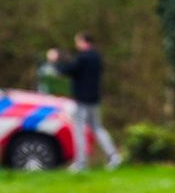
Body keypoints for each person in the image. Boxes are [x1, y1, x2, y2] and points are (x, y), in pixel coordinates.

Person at [48, 32, 121, 171]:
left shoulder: (82, 57)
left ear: (83, 41)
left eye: (77, 42)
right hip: (95, 99)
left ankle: (81, 163)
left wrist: (55, 61)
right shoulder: (97, 57)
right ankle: (114, 156)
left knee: (79, 131)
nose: (76, 45)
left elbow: (68, 70)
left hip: (82, 100)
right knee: (98, 128)